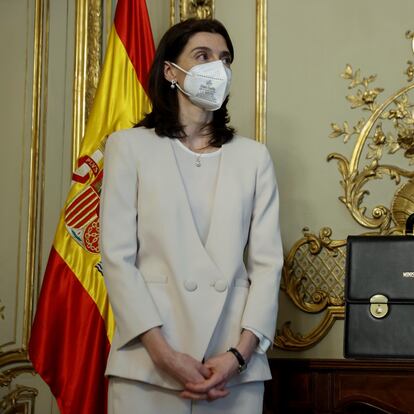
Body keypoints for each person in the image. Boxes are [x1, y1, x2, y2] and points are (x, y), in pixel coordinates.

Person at [100, 18, 283, 414]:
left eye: (225, 58)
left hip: (234, 368)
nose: (217, 67)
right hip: (147, 367)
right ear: (170, 70)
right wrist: (164, 355)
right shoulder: (127, 148)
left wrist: (238, 355)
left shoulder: (254, 158)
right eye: (202, 56)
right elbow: (116, 259)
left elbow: (268, 265)